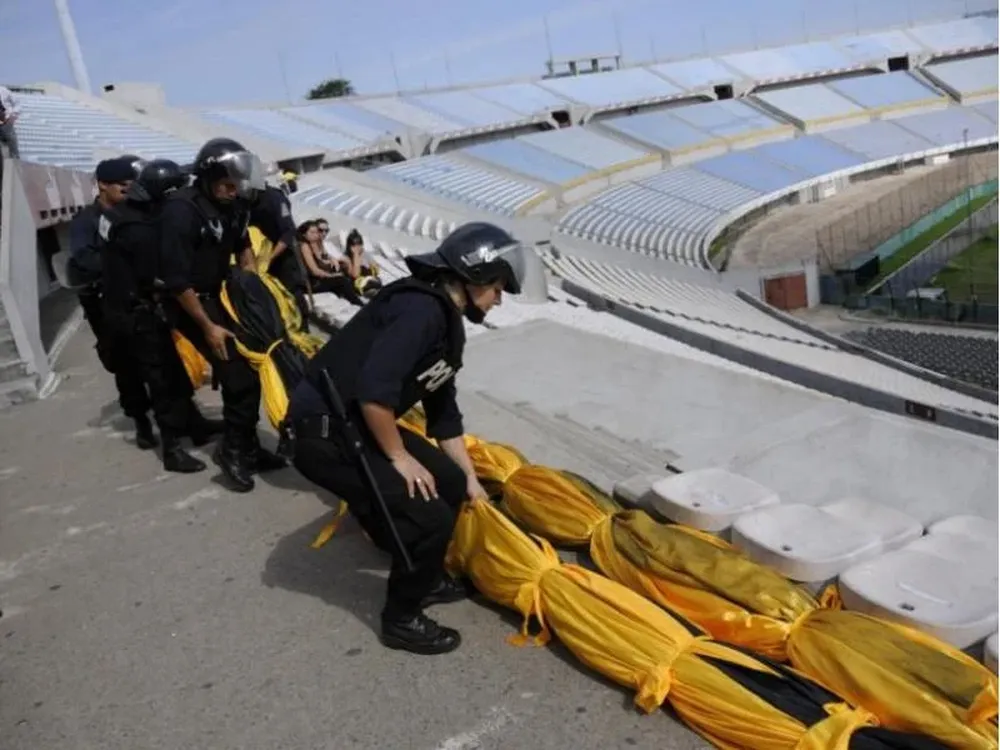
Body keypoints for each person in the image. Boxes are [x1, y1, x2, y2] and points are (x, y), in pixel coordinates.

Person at [285, 222, 529, 655]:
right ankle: (401, 618)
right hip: (325, 433)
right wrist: (399, 458)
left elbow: (443, 412)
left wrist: (470, 480)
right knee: (429, 517)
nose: (499, 298)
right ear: (471, 278)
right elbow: (375, 393)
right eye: (496, 287)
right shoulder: (421, 311)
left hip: (355, 420)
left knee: (450, 484)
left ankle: (424, 571)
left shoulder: (444, 321)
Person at [158, 137, 285, 492]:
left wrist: (249, 283)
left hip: (220, 295)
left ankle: (248, 446)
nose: (233, 192)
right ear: (209, 177)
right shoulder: (181, 211)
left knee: (252, 369)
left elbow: (241, 241)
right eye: (228, 185)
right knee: (238, 376)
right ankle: (233, 452)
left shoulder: (228, 204)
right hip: (191, 303)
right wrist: (208, 327)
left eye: (237, 186)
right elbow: (176, 280)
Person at [100, 158, 222, 473]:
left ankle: (194, 426)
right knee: (162, 382)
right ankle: (172, 450)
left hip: (130, 312)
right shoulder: (141, 228)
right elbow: (161, 276)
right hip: (138, 317)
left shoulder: (125, 216)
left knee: (174, 373)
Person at [68, 155, 162, 449]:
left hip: (142, 299)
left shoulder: (135, 213)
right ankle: (142, 422)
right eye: (123, 186)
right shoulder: (86, 222)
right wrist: (121, 263)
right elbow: (83, 259)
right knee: (126, 367)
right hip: (107, 306)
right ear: (103, 186)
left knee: (159, 362)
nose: (128, 191)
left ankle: (177, 418)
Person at [0, 84, 20, 159]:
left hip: (6, 120)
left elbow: (17, 103)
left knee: (12, 141)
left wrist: (14, 114)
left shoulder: (3, 90)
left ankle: (15, 161)